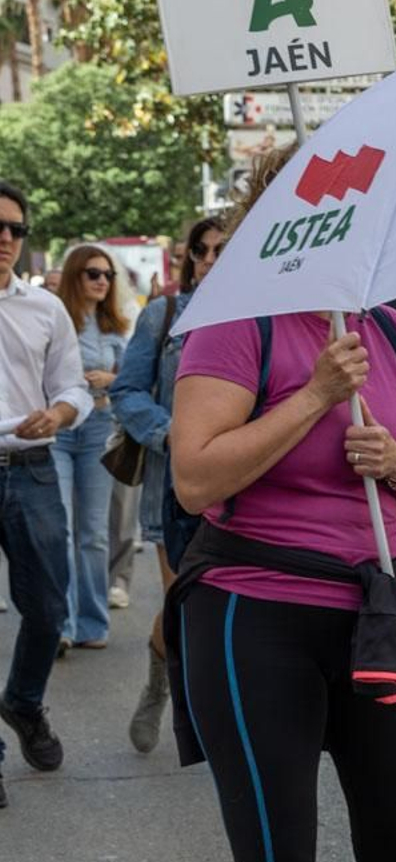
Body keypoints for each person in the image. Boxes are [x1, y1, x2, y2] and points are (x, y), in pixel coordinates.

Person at [165, 151, 396, 862]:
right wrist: (313, 396)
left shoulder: (392, 332)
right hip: (256, 614)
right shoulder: (238, 324)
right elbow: (193, 477)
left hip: (383, 613)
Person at [111, 216, 225, 752]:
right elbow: (128, 392)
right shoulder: (164, 316)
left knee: (228, 610)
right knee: (185, 606)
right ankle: (161, 677)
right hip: (175, 489)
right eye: (200, 250)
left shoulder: (260, 319)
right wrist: (169, 434)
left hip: (243, 487)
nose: (209, 259)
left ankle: (217, 709)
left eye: (221, 249)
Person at [0, 181, 92, 809]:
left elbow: (76, 386)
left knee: (49, 607)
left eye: (15, 228)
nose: (5, 238)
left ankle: (24, 703)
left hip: (31, 468)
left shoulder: (43, 308)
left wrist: (58, 414)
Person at [49, 245, 131, 651]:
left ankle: (92, 623)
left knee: (94, 533)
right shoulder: (55, 319)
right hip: (60, 428)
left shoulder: (115, 326)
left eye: (108, 275)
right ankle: (62, 625)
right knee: (62, 529)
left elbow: (132, 379)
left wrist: (110, 380)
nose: (102, 281)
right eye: (93, 273)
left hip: (99, 427)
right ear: (75, 275)